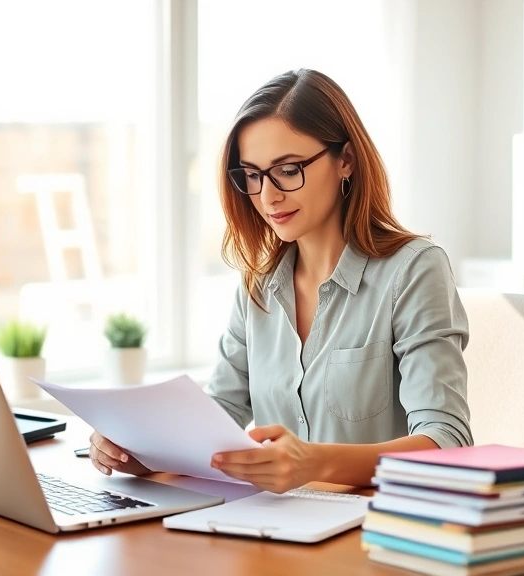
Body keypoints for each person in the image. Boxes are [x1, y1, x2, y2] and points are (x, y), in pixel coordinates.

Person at [88, 69, 472, 493]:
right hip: (275, 528)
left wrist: (313, 462)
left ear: (345, 160)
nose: (267, 196)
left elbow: (446, 443)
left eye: (288, 170)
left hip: (373, 532)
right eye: (251, 176)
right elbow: (219, 414)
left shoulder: (414, 271)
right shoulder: (258, 285)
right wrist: (143, 452)